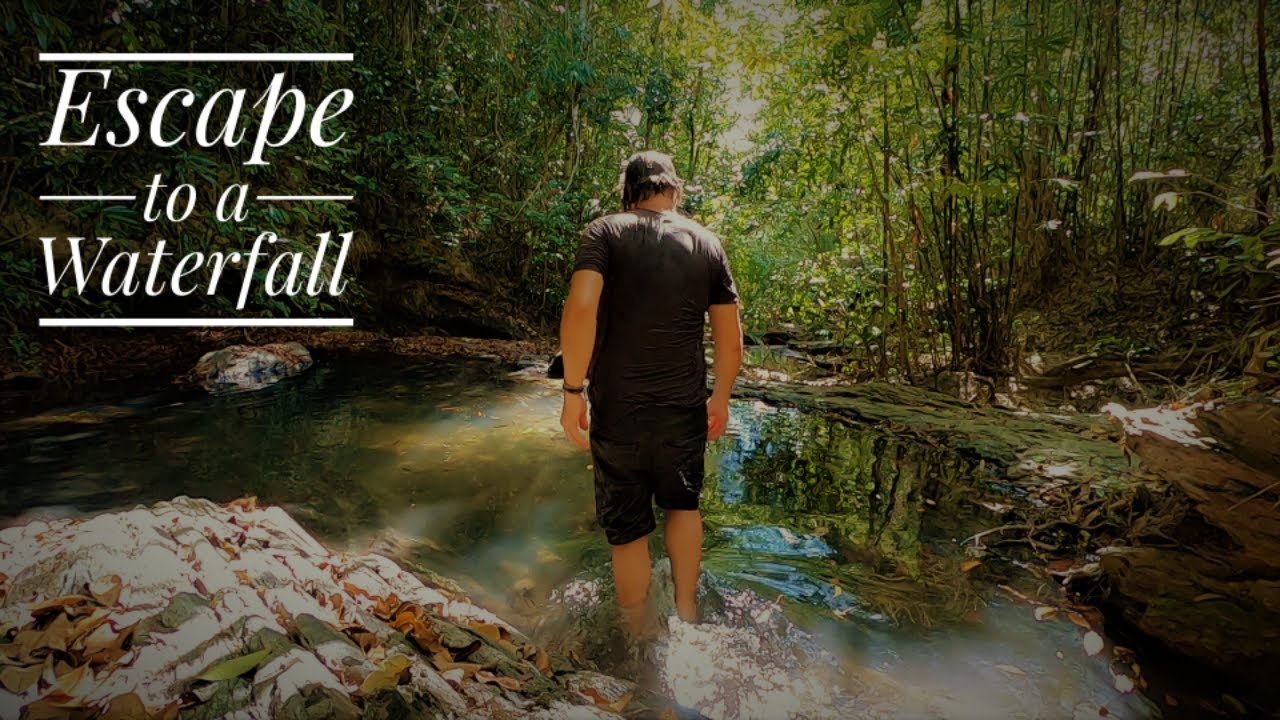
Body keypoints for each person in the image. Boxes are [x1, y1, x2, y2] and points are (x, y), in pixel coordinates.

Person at [558, 150, 743, 637]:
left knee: (628, 530)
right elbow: (729, 337)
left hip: (617, 409)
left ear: (629, 189)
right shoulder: (707, 243)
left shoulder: (604, 232)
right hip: (683, 407)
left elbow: (581, 308)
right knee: (683, 506)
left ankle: (636, 637)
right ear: (674, 190)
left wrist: (572, 391)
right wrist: (720, 397)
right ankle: (686, 616)